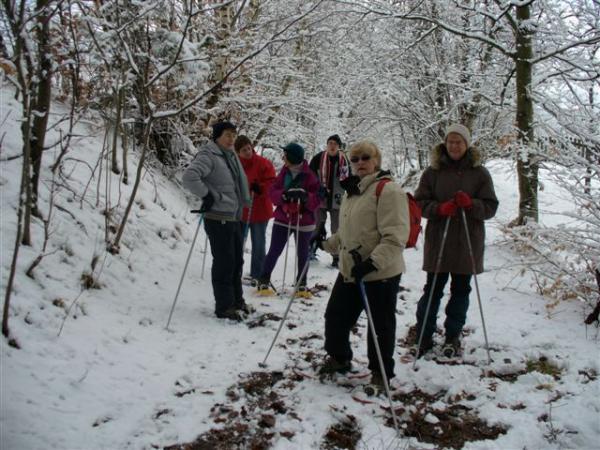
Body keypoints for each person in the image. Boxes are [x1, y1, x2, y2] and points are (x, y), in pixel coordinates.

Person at [316, 140, 410, 392]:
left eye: (365, 158)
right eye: (355, 159)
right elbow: (347, 234)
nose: (360, 163)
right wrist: (325, 244)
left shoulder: (388, 191)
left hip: (380, 273)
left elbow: (395, 237)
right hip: (350, 269)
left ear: (376, 160)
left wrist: (371, 264)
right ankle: (339, 358)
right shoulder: (353, 191)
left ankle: (381, 373)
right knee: (336, 316)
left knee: (379, 326)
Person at [412, 124, 498, 357]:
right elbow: (418, 203)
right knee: (432, 291)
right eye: (450, 141)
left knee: (461, 291)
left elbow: (491, 207)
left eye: (459, 141)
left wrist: (472, 204)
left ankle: (452, 336)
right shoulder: (432, 172)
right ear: (444, 143)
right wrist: (440, 208)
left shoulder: (480, 173)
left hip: (467, 241)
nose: (454, 146)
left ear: (467, 144)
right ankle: (423, 335)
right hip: (440, 241)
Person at [182, 121, 252, 322]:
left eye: (233, 135)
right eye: (228, 135)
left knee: (237, 260)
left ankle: (237, 300)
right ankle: (224, 306)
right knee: (224, 262)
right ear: (217, 136)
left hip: (233, 215)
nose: (232, 139)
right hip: (218, 216)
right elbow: (189, 177)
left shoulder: (229, 156)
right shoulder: (209, 155)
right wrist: (208, 195)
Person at [256, 142, 320, 297]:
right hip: (283, 218)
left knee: (303, 254)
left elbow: (318, 198)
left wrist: (305, 196)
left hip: (304, 221)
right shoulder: (284, 172)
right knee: (274, 250)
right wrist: (283, 195)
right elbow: (273, 192)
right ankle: (263, 280)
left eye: (285, 154)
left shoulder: (310, 175)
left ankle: (302, 284)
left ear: (292, 156)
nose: (283, 157)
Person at [234, 135, 276, 284]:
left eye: (248, 148)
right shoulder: (236, 164)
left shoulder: (264, 163)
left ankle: (257, 273)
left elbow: (272, 183)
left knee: (258, 242)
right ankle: (235, 271)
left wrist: (261, 188)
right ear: (238, 152)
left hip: (260, 209)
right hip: (242, 210)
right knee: (238, 242)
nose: (247, 152)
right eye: (243, 150)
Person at [309, 134, 350, 267]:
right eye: (330, 143)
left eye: (335, 144)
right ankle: (311, 250)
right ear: (327, 145)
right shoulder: (318, 158)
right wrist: (316, 187)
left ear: (339, 147)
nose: (332, 146)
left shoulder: (344, 160)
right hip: (320, 199)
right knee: (316, 226)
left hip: (337, 200)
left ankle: (336, 257)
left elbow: (348, 180)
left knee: (336, 229)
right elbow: (310, 176)